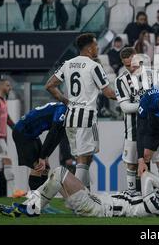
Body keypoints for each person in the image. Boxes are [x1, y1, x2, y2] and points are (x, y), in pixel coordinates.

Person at [45, 33, 117, 189]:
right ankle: (79, 198)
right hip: (86, 116)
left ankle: (85, 194)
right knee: (83, 160)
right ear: (90, 47)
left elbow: (50, 85)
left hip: (71, 116)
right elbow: (109, 93)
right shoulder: (94, 66)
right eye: (96, 45)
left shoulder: (68, 64)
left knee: (84, 157)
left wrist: (65, 100)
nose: (97, 47)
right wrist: (129, 97)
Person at [0, 168, 159, 218]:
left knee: (60, 173)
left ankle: (32, 207)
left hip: (95, 208)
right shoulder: (157, 201)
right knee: (55, 176)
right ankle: (31, 206)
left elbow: (146, 177)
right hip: (94, 202)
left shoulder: (154, 206)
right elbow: (153, 178)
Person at [115, 48, 159, 193]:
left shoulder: (154, 75)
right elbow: (125, 107)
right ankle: (132, 197)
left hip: (157, 129)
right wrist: (148, 105)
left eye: (133, 65)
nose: (131, 68)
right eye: (127, 66)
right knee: (132, 165)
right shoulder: (121, 81)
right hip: (133, 129)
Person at [12, 102, 67, 191]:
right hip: (22, 132)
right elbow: (52, 134)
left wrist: (46, 156)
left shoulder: (65, 110)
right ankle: (34, 201)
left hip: (32, 134)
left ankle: (41, 201)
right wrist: (42, 157)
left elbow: (58, 137)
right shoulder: (63, 110)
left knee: (45, 168)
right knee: (38, 167)